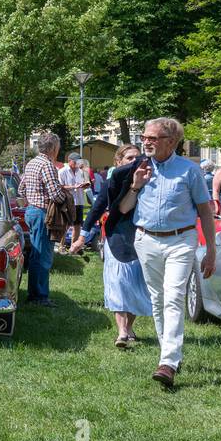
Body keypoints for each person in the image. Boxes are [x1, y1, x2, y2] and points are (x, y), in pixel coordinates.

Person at [114, 118, 216, 388]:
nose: (146, 142)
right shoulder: (139, 168)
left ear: (171, 142)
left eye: (153, 138)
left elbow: (206, 211)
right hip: (146, 240)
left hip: (181, 240)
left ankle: (168, 361)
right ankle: (168, 354)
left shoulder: (189, 171)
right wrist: (136, 185)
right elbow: (124, 209)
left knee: (173, 297)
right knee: (158, 299)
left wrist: (211, 251)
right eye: (144, 137)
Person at [73, 144, 152, 347]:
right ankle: (122, 331)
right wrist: (82, 236)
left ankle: (130, 326)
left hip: (142, 237)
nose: (134, 161)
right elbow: (96, 209)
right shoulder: (112, 182)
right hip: (117, 236)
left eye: (137, 157)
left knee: (137, 285)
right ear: (119, 162)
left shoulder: (151, 182)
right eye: (129, 158)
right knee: (118, 282)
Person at [17, 132, 68, 306]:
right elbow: (55, 194)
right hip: (43, 213)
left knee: (36, 254)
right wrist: (67, 196)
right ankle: (39, 296)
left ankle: (36, 293)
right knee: (42, 256)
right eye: (58, 147)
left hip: (32, 211)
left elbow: (21, 189)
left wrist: (33, 197)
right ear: (53, 148)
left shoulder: (31, 163)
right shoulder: (47, 165)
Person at [58, 152, 88, 253]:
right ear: (69, 161)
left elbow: (84, 183)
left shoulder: (81, 171)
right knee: (65, 225)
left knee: (78, 225)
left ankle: (73, 247)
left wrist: (85, 185)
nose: (78, 164)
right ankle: (61, 246)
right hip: (68, 201)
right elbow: (60, 186)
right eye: (76, 162)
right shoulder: (62, 171)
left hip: (79, 200)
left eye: (79, 162)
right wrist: (73, 187)